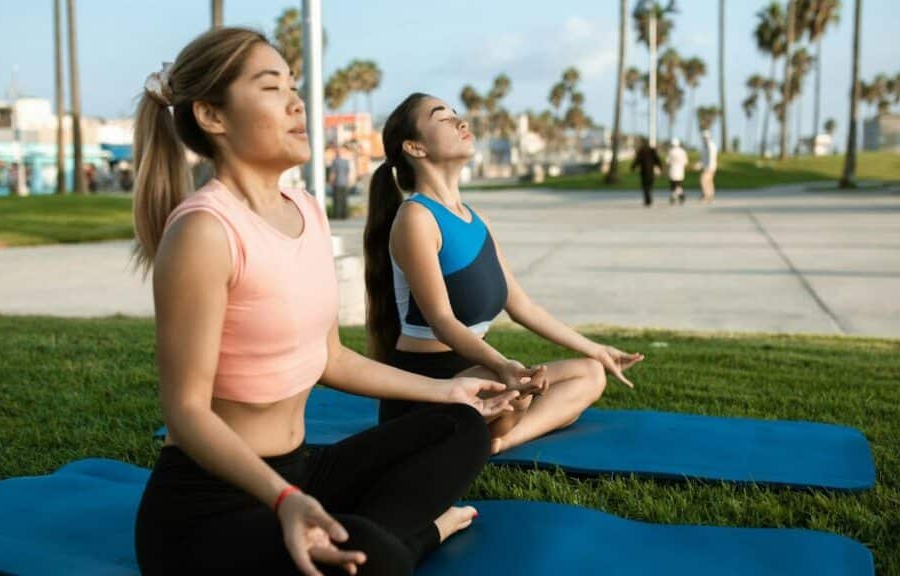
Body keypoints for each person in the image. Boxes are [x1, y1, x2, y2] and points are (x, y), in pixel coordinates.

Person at [132, 29, 519, 576]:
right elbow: (186, 412)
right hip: (208, 510)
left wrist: (448, 389)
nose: (297, 102)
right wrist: (283, 500)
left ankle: (367, 537)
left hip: (301, 473)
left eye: (293, 84)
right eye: (271, 88)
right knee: (368, 554)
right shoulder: (204, 232)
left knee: (461, 424)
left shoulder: (306, 211)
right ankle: (411, 537)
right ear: (212, 116)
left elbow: (330, 357)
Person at [363, 93, 646, 456]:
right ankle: (497, 421)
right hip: (428, 382)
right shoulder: (416, 218)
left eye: (457, 114)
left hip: (478, 372)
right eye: (443, 118)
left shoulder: (475, 221)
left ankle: (505, 439)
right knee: (516, 395)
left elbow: (522, 306)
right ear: (415, 147)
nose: (461, 122)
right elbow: (443, 321)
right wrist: (505, 367)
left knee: (589, 373)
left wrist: (597, 349)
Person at [630, 137, 662, 207]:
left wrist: (633, 167)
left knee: (645, 186)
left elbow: (637, 160)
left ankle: (647, 199)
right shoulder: (652, 150)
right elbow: (657, 159)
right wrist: (660, 167)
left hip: (644, 171)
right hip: (650, 171)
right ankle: (648, 199)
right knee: (649, 185)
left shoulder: (642, 151)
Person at [666, 138, 688, 205]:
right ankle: (679, 196)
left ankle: (675, 196)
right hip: (680, 170)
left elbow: (667, 161)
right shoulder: (682, 151)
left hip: (673, 170)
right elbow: (685, 161)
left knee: (674, 185)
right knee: (678, 184)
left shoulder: (671, 151)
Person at [699, 130, 718, 203]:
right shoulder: (704, 146)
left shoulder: (711, 146)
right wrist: (699, 165)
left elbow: (711, 157)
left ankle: (706, 195)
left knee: (703, 180)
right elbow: (703, 158)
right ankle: (710, 196)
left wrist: (708, 167)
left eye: (705, 138)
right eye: (703, 138)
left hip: (710, 167)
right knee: (709, 181)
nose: (704, 139)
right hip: (706, 167)